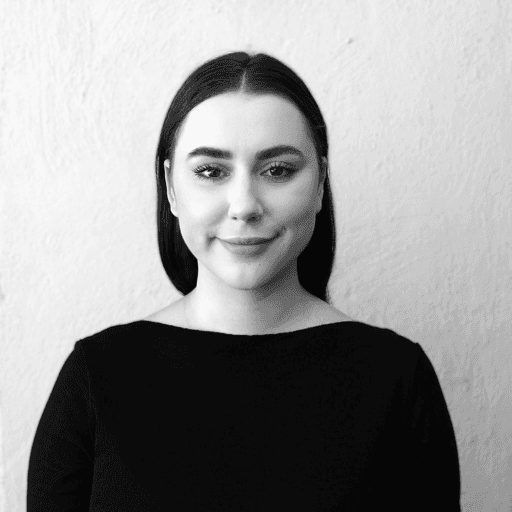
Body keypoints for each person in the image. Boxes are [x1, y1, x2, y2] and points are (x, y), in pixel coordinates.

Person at [27, 51, 461, 510]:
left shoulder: (397, 378)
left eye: (278, 170)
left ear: (320, 183)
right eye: (211, 172)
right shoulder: (96, 377)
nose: (244, 205)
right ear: (171, 187)